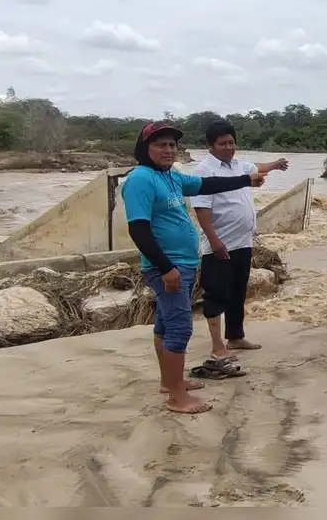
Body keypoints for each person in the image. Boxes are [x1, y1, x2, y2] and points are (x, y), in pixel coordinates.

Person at [122, 121, 266, 414]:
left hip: (183, 264)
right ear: (144, 149)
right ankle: (177, 398)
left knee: (164, 324)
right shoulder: (140, 179)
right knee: (179, 328)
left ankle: (170, 382)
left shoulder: (171, 177)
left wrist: (246, 180)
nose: (168, 150)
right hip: (169, 266)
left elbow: (209, 184)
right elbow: (138, 230)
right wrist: (165, 268)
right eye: (160, 145)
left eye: (172, 145)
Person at [191, 119, 289, 361]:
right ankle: (217, 345)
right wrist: (214, 241)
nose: (228, 147)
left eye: (231, 142)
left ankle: (235, 337)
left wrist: (275, 165)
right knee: (216, 294)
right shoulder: (205, 171)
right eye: (222, 143)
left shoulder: (238, 164)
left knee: (237, 291)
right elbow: (201, 209)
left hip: (243, 242)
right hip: (219, 243)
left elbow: (256, 166)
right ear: (210, 146)